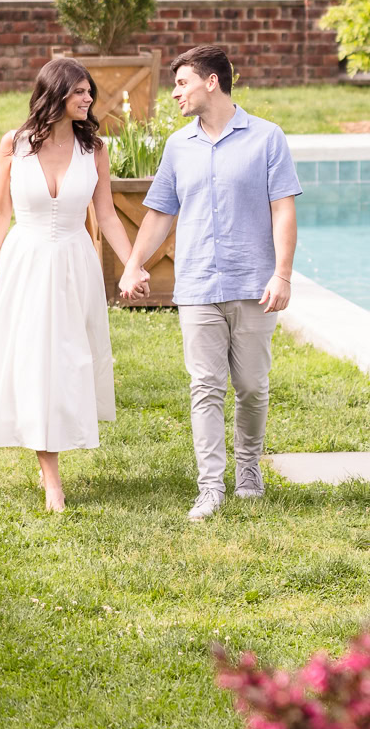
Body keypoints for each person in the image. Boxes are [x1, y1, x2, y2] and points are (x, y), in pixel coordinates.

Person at [117, 44, 301, 521]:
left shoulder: (266, 138)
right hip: (197, 284)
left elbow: (283, 209)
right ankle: (210, 487)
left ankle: (248, 472)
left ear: (211, 82)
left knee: (252, 386)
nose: (175, 92)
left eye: (182, 82)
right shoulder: (179, 145)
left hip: (253, 284)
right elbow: (160, 213)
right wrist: (135, 264)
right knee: (205, 386)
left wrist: (282, 274)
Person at [0, 57, 134, 511]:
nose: (88, 98)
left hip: (76, 265)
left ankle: (51, 450)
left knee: (68, 361)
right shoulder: (13, 146)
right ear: (53, 94)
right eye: (79, 91)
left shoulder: (93, 148)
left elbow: (108, 215)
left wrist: (132, 264)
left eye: (89, 91)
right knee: (36, 361)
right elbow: (0, 213)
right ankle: (51, 475)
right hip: (27, 263)